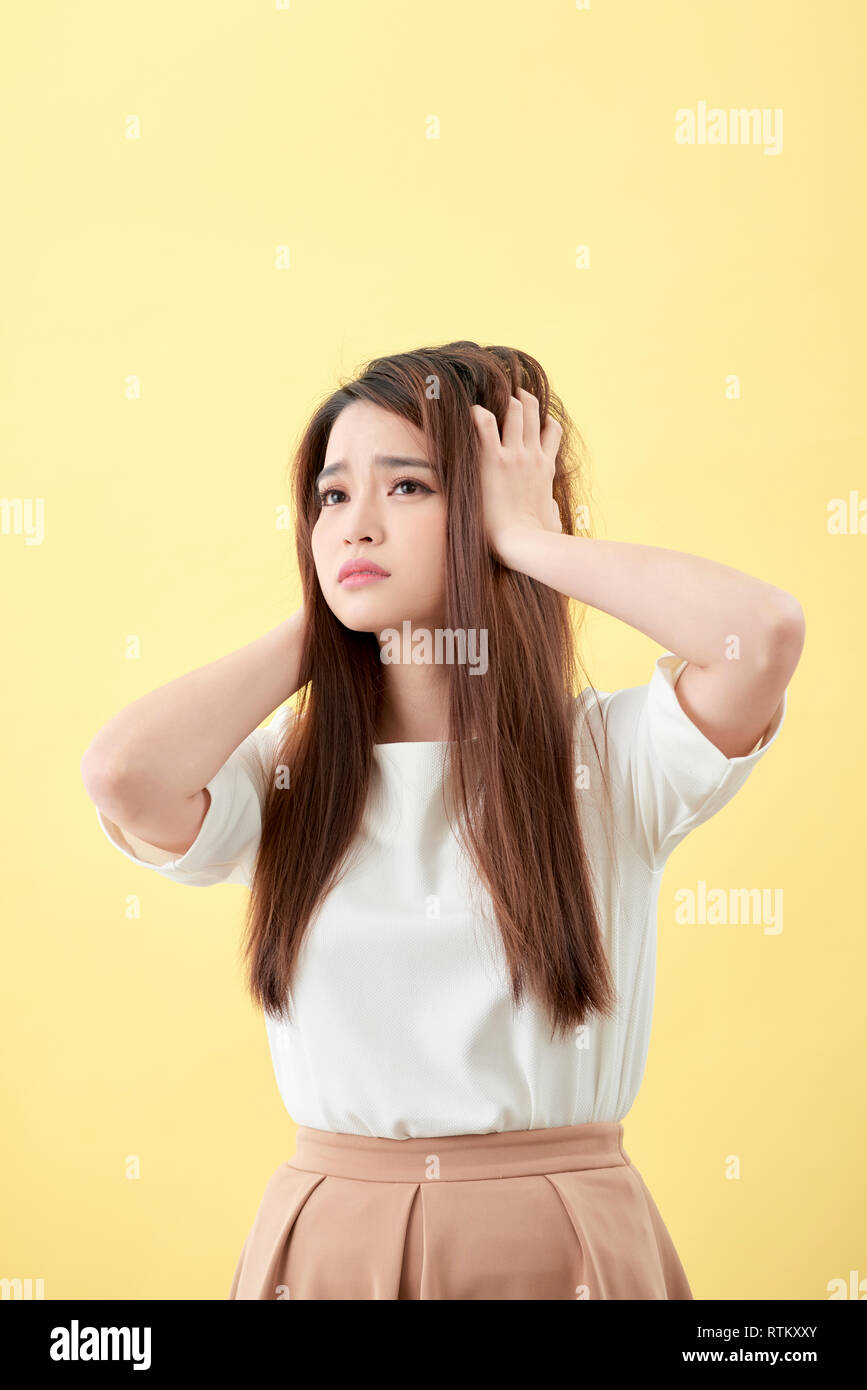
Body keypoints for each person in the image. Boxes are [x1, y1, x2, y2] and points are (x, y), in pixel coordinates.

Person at [80, 341, 803, 1300]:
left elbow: (759, 636)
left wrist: (528, 546)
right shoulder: (289, 781)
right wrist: (327, 615)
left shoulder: (610, 760)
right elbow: (123, 774)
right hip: (328, 1241)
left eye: (409, 488)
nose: (356, 527)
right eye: (332, 499)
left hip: (563, 1243)